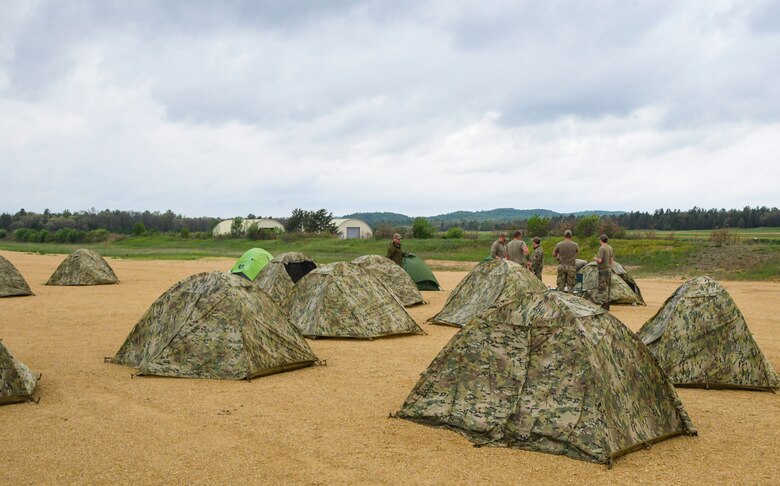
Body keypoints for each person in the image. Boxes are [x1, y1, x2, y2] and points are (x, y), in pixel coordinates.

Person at [594, 234, 614, 310]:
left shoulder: (601, 249)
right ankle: (607, 304)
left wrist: (595, 258)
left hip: (602, 270)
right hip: (609, 269)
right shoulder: (610, 248)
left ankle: (603, 304)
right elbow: (611, 260)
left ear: (601, 240)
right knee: (608, 287)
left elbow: (600, 260)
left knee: (602, 287)